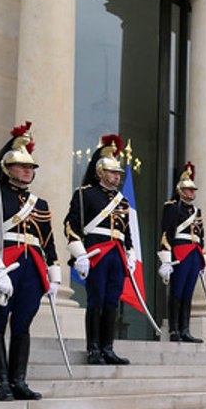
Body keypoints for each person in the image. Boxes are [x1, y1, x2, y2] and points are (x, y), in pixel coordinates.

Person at [0, 121, 61, 400]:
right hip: (3, 266)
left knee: (23, 324)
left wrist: (54, 275)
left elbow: (47, 242)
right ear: (7, 168)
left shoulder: (40, 204)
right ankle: (1, 382)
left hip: (32, 269)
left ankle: (18, 380)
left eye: (31, 167)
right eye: (22, 166)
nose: (27, 171)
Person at [64, 134, 135, 365]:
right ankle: (93, 348)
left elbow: (127, 233)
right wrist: (80, 254)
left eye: (118, 173)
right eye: (113, 172)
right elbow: (71, 226)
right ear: (100, 173)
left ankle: (108, 347)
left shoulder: (122, 201)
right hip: (96, 252)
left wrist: (130, 254)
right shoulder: (85, 194)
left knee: (112, 301)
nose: (117, 176)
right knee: (96, 299)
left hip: (116, 254)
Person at [157, 162, 206, 343]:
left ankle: (185, 329)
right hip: (180, 252)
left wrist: (203, 256)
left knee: (188, 292)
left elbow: (201, 235)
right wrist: (166, 259)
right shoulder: (172, 207)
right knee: (177, 291)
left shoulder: (196, 211)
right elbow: (166, 234)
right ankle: (174, 329)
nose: (193, 193)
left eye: (193, 190)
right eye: (189, 190)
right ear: (180, 191)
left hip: (194, 253)